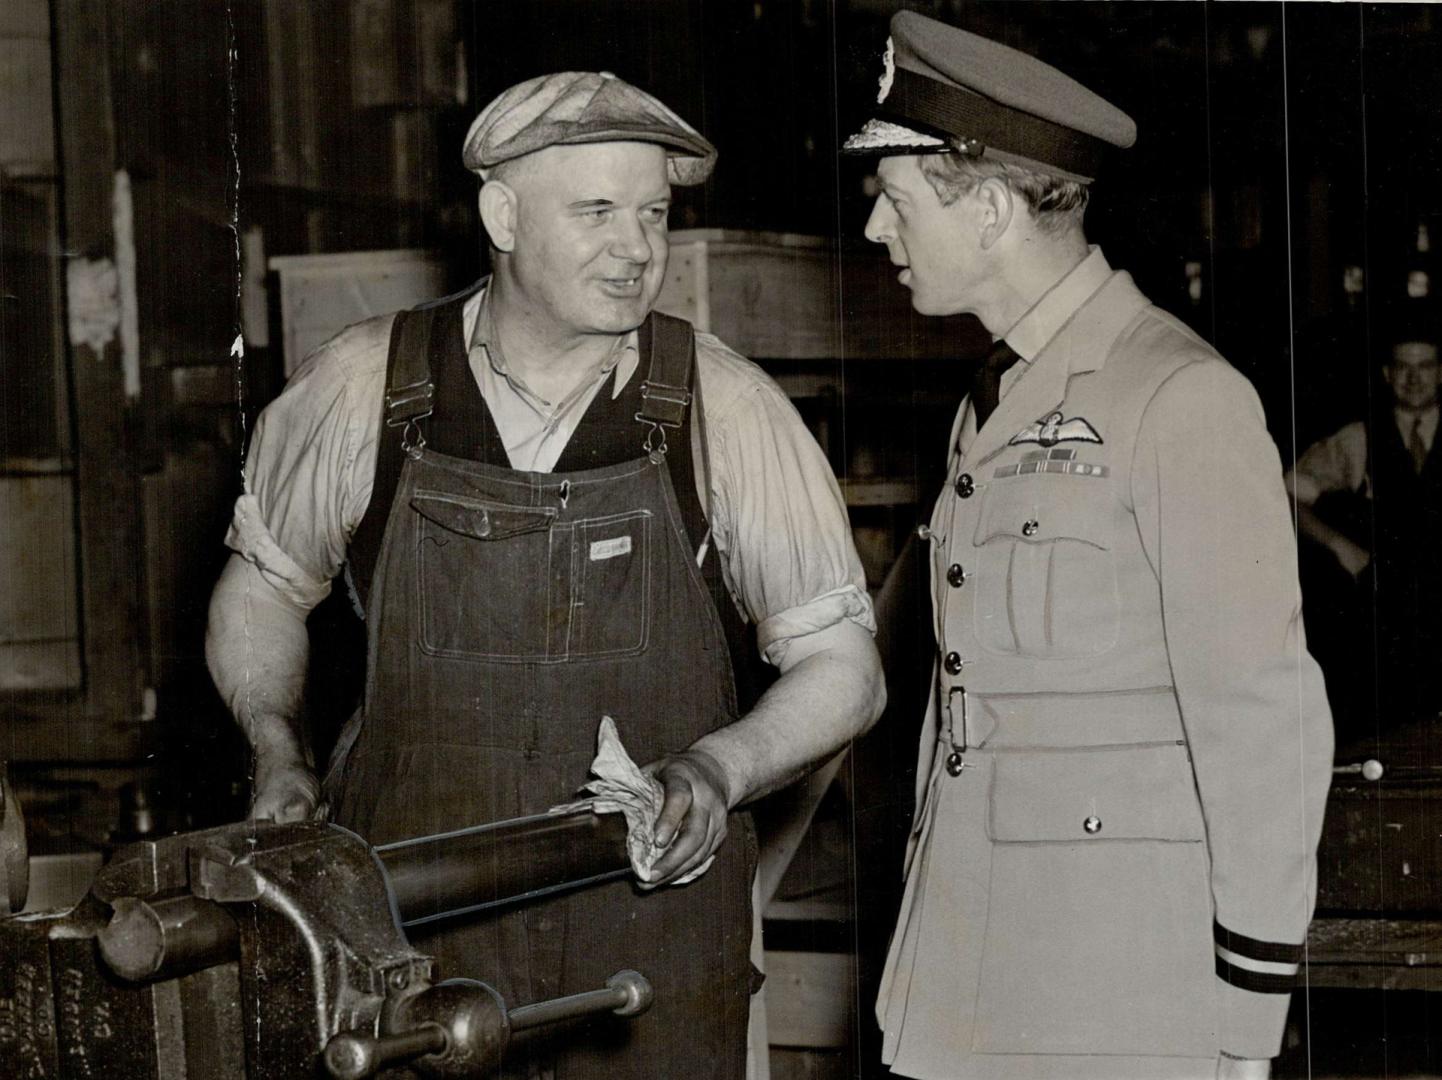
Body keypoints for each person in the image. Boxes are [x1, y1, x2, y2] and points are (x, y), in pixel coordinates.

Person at [206, 71, 885, 1080]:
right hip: (410, 928)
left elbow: (844, 666)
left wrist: (714, 770)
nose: (637, 249)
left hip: (647, 943)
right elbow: (262, 589)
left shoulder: (725, 408)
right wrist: (276, 750)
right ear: (502, 214)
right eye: (597, 213)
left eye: (652, 214)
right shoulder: (363, 387)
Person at [841, 13, 1333, 1080]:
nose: (876, 231)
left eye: (895, 200)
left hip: (1120, 992)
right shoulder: (997, 397)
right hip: (973, 968)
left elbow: (1261, 722)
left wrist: (1243, 1018)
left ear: (983, 208)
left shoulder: (1177, 395)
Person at [1288, 321, 1442, 736]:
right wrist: (1338, 545)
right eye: (1403, 367)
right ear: (1387, 375)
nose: (1413, 378)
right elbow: (1285, 494)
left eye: (1425, 366)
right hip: (1385, 620)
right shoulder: (1357, 439)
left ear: (1440, 372)